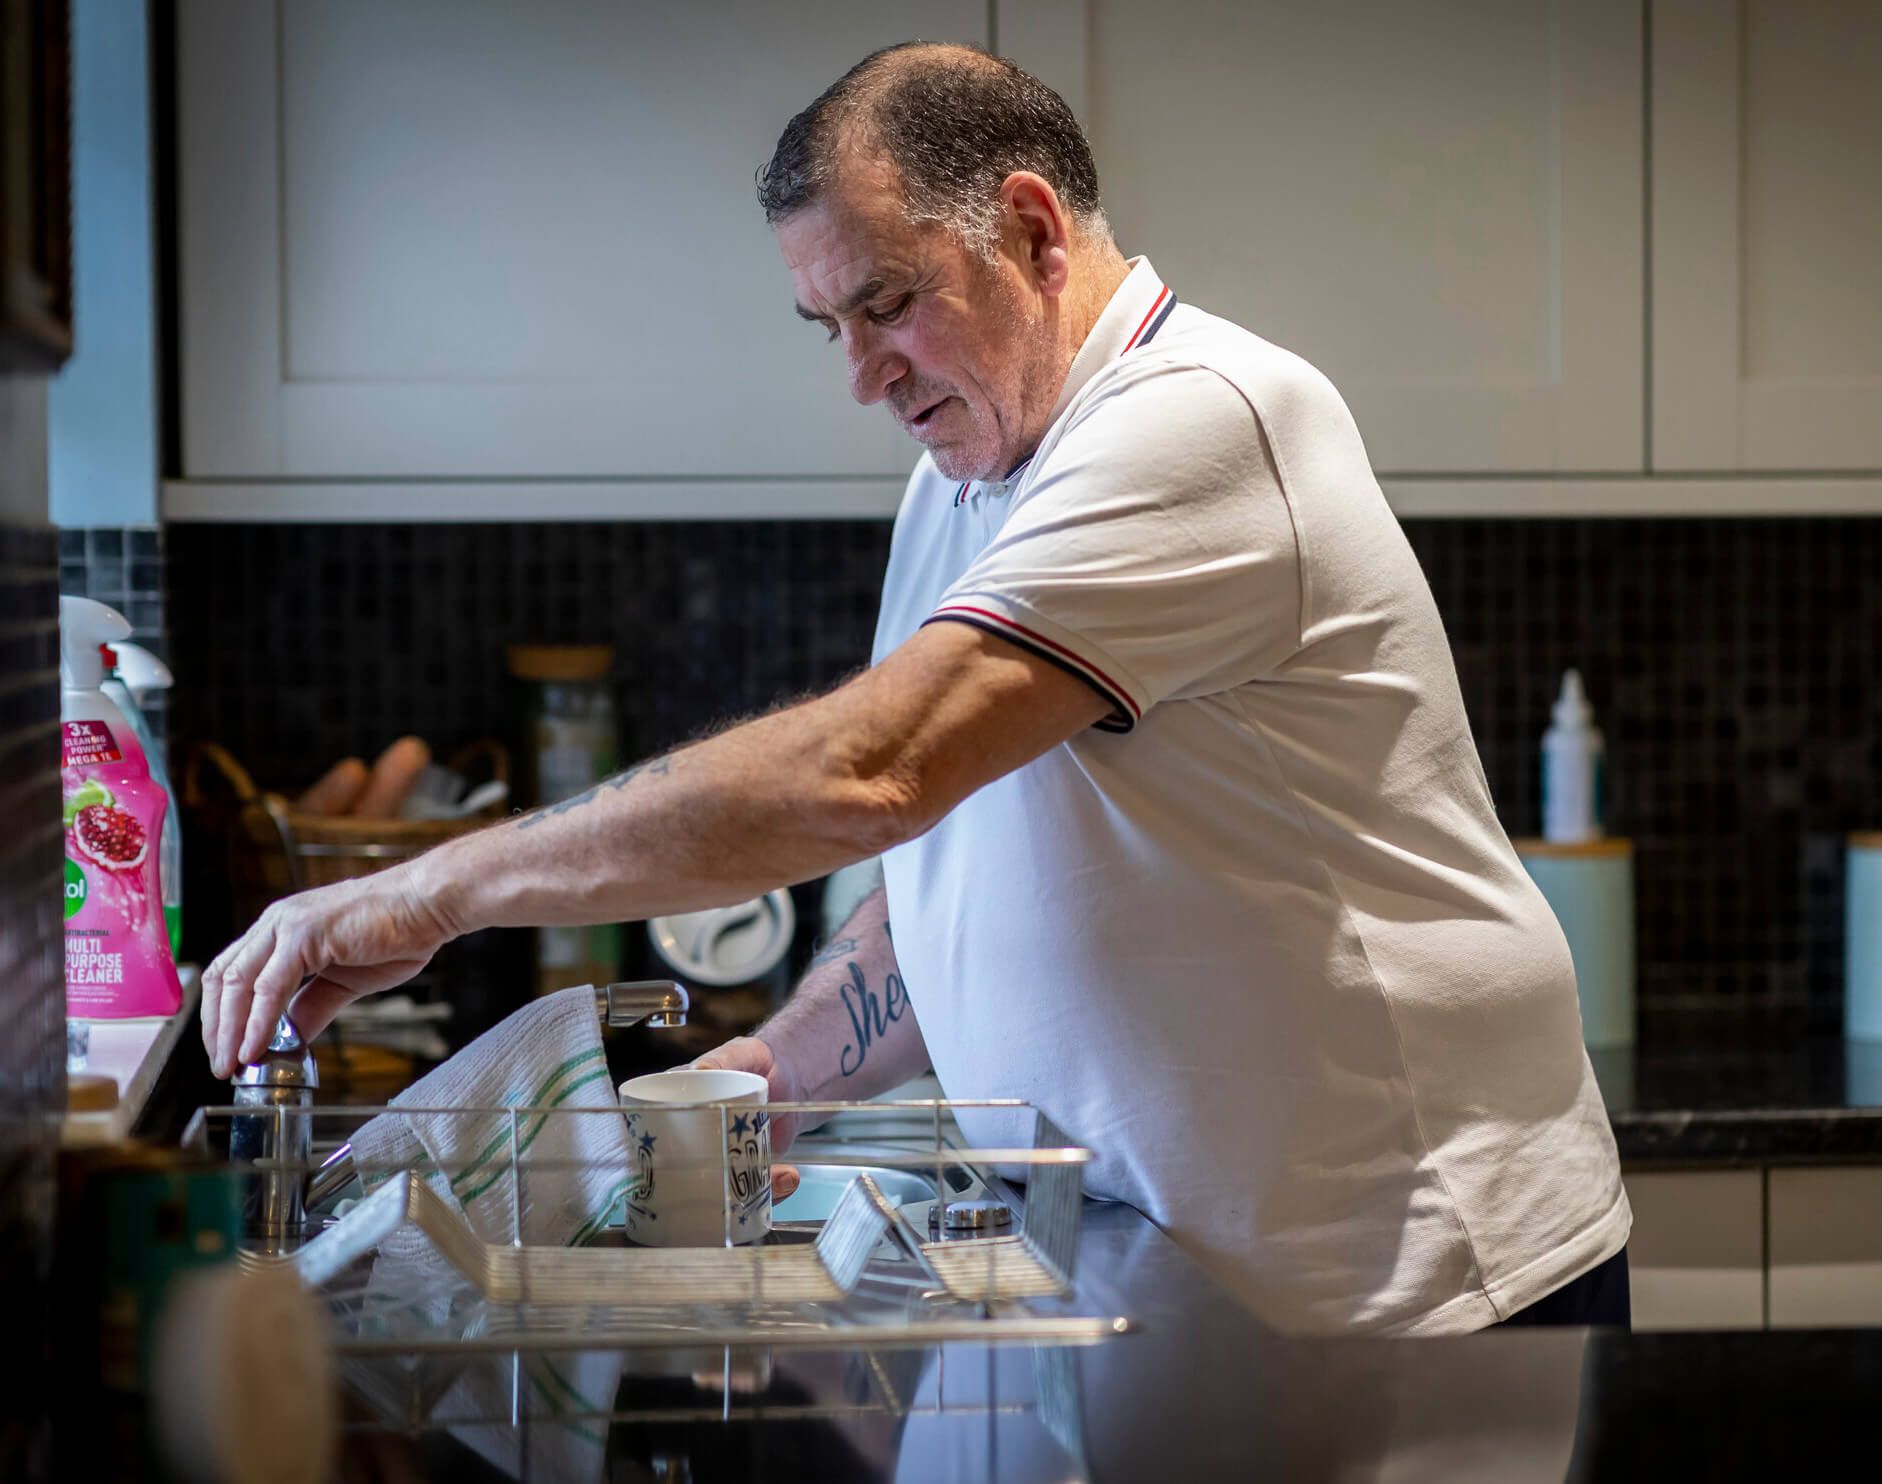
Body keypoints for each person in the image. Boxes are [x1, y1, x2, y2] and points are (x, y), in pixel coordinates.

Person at [200, 43, 1629, 1335]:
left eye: (886, 304)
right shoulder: (969, 466)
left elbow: (864, 774)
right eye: (827, 325)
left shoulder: (1203, 421)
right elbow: (959, 861)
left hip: (1416, 1283)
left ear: (1028, 227)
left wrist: (428, 891)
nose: (862, 378)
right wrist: (774, 1080)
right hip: (1183, 1265)